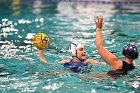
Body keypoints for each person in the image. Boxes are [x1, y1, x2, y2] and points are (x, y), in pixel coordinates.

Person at [38, 42, 106, 73]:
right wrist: (40, 50)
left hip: (85, 77)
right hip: (68, 73)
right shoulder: (66, 61)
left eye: (84, 49)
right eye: (81, 49)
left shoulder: (89, 61)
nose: (84, 51)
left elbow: (104, 64)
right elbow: (48, 64)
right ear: (73, 52)